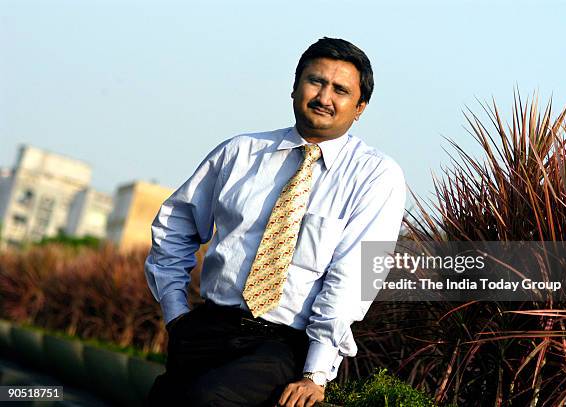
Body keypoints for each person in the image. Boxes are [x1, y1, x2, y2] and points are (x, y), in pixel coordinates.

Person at [144, 37, 406, 407]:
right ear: (295, 86)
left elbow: (353, 279)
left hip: (280, 344)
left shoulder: (376, 177)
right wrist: (175, 313)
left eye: (341, 90)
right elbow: (175, 225)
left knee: (208, 400)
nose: (324, 97)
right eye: (315, 81)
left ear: (360, 107)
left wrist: (315, 374)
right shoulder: (240, 152)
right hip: (204, 329)